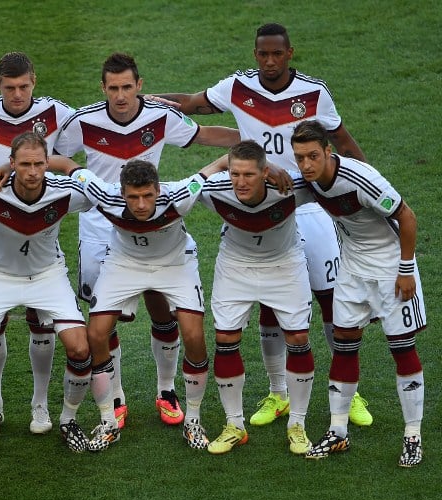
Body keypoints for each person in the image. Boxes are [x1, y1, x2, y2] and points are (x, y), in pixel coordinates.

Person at [150, 22, 372, 429]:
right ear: (255, 55)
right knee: (271, 302)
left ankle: (351, 394)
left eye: (276, 54)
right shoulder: (237, 87)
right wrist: (153, 101)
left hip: (308, 206)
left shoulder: (314, 93)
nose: (269, 61)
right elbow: (194, 103)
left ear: (290, 54)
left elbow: (343, 142)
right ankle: (277, 394)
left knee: (329, 298)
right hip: (259, 204)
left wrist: (367, 185)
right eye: (262, 54)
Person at [53, 52, 238, 429]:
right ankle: (117, 396)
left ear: (139, 85)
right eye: (113, 88)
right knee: (105, 321)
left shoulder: (161, 115)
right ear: (102, 88)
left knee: (160, 306)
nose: (120, 96)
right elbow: (55, 158)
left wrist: (262, 141)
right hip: (100, 223)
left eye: (127, 87)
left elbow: (202, 136)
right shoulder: (82, 120)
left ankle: (166, 389)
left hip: (149, 216)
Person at [55, 158, 221, 451]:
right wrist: (7, 168)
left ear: (159, 190)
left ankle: (192, 419)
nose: (141, 204)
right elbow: (67, 165)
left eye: (147, 195)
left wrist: (267, 166)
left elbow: (214, 166)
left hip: (175, 263)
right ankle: (108, 420)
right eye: (133, 197)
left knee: (194, 335)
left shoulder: (180, 194)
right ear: (122, 193)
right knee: (95, 334)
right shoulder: (105, 194)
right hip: (124, 263)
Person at [291, 120, 426, 467]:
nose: (306, 165)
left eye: (312, 156)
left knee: (401, 347)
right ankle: (338, 431)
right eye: (299, 157)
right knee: (344, 343)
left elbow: (407, 216)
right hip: (351, 268)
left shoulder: (359, 178)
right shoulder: (307, 181)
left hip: (389, 268)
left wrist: (406, 269)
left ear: (328, 152)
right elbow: (278, 188)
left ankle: (412, 434)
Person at [0, 132, 93, 456]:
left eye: (39, 164)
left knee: (79, 348)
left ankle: (66, 418)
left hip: (47, 276)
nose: (32, 172)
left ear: (48, 164)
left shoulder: (66, 192)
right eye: (25, 165)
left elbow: (105, 193)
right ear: (12, 165)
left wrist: (72, 166)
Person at [0, 51, 74, 435]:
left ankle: (40, 405)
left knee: (42, 323)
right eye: (10, 88)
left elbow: (92, 128)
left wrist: (10, 167)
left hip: (39, 223)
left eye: (24, 86)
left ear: (34, 81)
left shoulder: (57, 112)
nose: (18, 94)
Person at [197, 141, 315, 455]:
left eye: (249, 174)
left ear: (265, 173)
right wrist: (221, 161)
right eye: (235, 173)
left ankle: (297, 425)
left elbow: (329, 180)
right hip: (235, 266)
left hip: (285, 265)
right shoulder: (215, 190)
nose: (240, 182)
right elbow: (187, 186)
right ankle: (234, 425)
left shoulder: (291, 187)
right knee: (224, 338)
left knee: (299, 339)